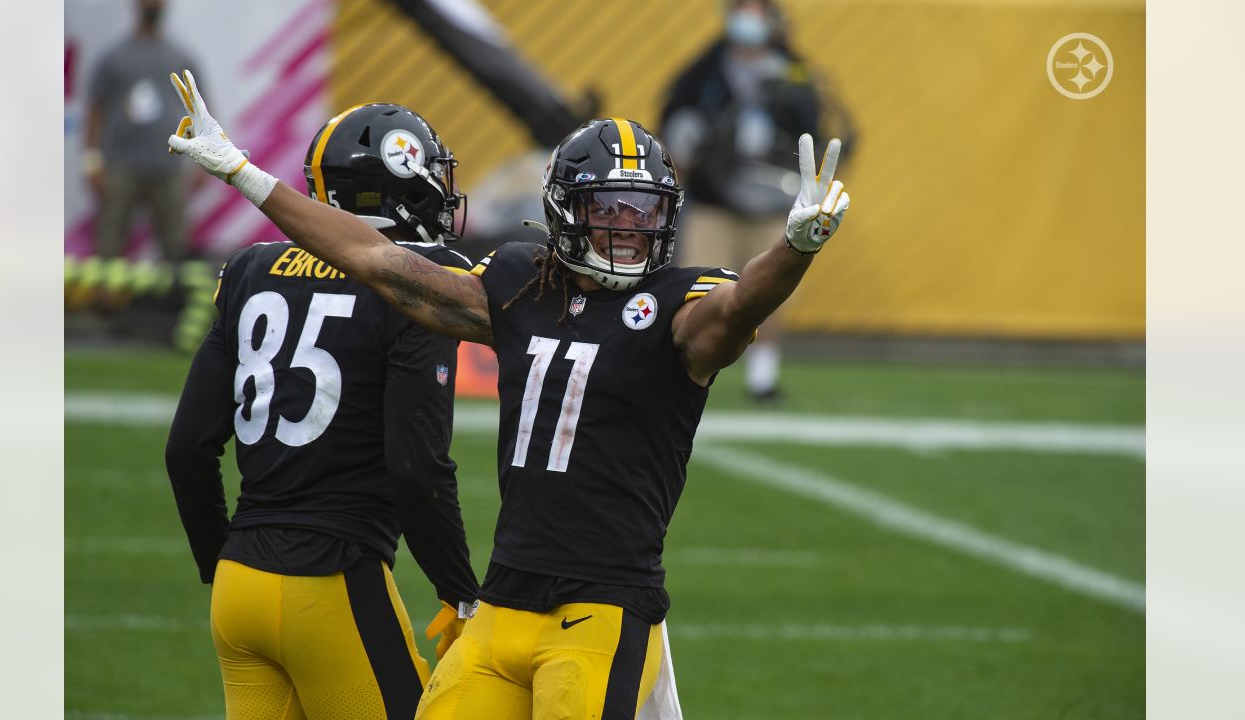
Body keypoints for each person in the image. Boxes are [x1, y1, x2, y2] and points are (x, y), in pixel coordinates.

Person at [167, 70, 850, 720]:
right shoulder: (523, 286)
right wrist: (243, 172)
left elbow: (733, 314)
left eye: (644, 211)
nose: (628, 227)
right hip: (502, 603)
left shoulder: (676, 302)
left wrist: (795, 249)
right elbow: (378, 261)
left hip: (599, 611)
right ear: (563, 208)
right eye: (607, 208)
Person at [164, 102, 481, 720]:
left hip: (238, 587)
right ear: (400, 184)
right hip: (333, 579)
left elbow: (186, 449)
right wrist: (461, 592)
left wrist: (223, 559)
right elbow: (416, 467)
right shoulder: (424, 280)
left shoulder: (253, 267)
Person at [661, 0, 853, 403]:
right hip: (716, 201)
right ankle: (678, 372)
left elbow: (816, 126)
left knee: (771, 291)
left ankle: (762, 380)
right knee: (696, 286)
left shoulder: (794, 71)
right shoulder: (705, 71)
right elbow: (674, 119)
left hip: (773, 201)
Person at [84, 0, 201, 262]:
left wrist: (202, 163)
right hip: (120, 165)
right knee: (110, 243)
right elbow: (94, 111)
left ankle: (173, 301)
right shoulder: (113, 57)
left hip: (168, 166)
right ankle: (108, 301)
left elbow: (200, 111)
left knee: (175, 247)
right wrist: (92, 162)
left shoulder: (180, 57)